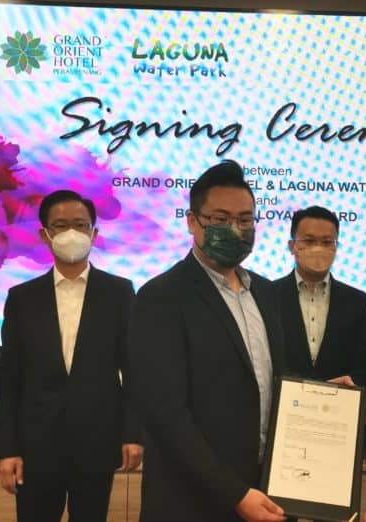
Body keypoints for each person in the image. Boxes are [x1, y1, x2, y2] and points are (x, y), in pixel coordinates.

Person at [128, 160, 287, 522]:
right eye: (220, 219)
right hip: (191, 501)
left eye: (245, 220)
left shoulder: (265, 293)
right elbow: (166, 415)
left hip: (264, 492)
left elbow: (268, 382)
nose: (235, 229)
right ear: (192, 221)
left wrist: (324, 395)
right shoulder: (161, 297)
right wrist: (235, 494)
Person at [0, 189, 143, 521]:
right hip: (35, 447)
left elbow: (134, 371)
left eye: (80, 224)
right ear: (44, 235)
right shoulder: (22, 298)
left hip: (97, 442)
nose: (71, 233)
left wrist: (133, 434)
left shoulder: (119, 293)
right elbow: (10, 380)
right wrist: (7, 450)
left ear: (94, 233)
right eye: (60, 226)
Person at [273, 206, 366, 388]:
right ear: (292, 246)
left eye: (327, 242)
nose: (318, 248)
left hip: (338, 402)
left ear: (336, 247)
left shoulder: (357, 301)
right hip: (282, 401)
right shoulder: (269, 295)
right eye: (309, 241)